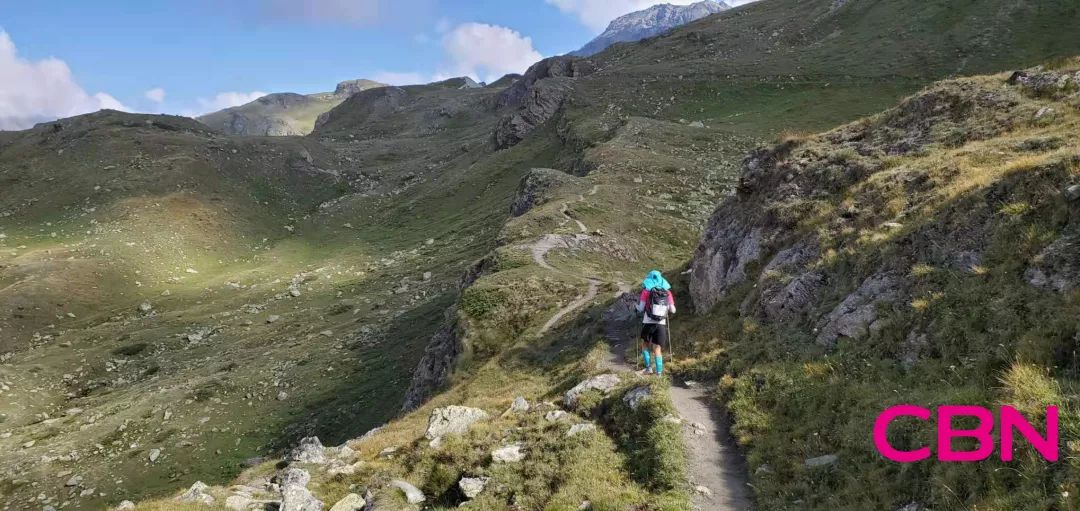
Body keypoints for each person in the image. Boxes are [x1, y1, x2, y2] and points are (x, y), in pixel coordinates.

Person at [637, 270, 675, 376]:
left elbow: (640, 309)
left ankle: (649, 368)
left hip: (648, 323)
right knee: (657, 349)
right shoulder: (667, 292)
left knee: (644, 345)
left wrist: (636, 306)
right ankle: (659, 374)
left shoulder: (646, 291)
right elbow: (673, 310)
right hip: (661, 324)